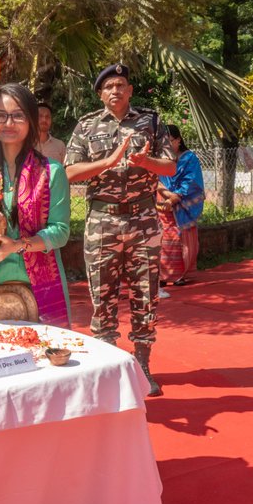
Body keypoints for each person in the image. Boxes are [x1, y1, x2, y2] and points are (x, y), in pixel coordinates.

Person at [65, 64, 176, 396]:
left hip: (143, 219)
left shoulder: (151, 121)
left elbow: (170, 166)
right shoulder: (87, 125)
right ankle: (109, 368)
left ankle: (142, 366)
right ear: (100, 94)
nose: (115, 90)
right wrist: (108, 162)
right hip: (103, 220)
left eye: (121, 85)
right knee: (102, 296)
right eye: (109, 86)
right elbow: (69, 172)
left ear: (130, 91)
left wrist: (145, 162)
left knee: (146, 294)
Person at [0, 84, 71, 327]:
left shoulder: (51, 172)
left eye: (18, 115)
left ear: (31, 121)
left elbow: (60, 231)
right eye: (0, 116)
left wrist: (17, 246)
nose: (8, 123)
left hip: (40, 287)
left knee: (45, 350)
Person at [158, 125, 205, 285]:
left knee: (180, 240)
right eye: (163, 142)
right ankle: (162, 276)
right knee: (162, 241)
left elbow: (191, 182)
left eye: (169, 141)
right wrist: (167, 195)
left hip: (182, 206)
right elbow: (154, 179)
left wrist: (174, 198)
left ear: (178, 140)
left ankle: (180, 276)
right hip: (162, 206)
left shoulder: (190, 159)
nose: (166, 145)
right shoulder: (159, 158)